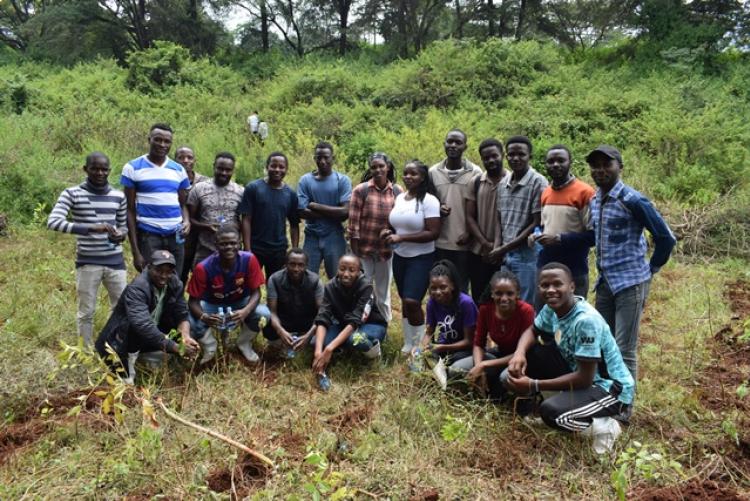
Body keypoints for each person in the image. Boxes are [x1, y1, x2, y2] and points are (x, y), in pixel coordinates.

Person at [500, 262, 635, 454]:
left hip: (609, 388)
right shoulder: (552, 308)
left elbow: (584, 379)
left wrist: (534, 385)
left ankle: (605, 428)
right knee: (533, 353)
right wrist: (519, 354)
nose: (551, 290)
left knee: (552, 414)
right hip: (579, 376)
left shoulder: (585, 321)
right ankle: (566, 406)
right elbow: (532, 330)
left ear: (571, 286)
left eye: (557, 284)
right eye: (544, 285)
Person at [586, 145, 676, 384]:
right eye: (596, 165)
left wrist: (651, 270)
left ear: (620, 167)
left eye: (607, 164)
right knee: (604, 343)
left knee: (624, 348)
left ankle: (624, 406)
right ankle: (606, 395)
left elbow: (666, 238)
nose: (601, 170)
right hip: (604, 282)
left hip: (630, 283)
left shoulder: (633, 200)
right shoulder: (595, 200)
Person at [47, 152, 128, 345]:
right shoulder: (72, 193)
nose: (100, 173)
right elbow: (53, 222)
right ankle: (85, 351)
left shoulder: (118, 196)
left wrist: (121, 234)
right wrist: (91, 228)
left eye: (104, 169)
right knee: (86, 311)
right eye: (95, 168)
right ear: (86, 169)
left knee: (121, 308)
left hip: (115, 262)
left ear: (109, 170)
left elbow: (123, 225)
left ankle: (112, 346)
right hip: (87, 262)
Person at [95, 250, 199, 384]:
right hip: (121, 339)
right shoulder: (138, 288)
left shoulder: (174, 283)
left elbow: (182, 313)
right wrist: (176, 347)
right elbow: (142, 325)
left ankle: (147, 358)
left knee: (190, 334)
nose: (164, 276)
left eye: (168, 271)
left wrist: (184, 337)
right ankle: (132, 363)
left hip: (152, 333)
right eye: (159, 270)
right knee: (125, 383)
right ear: (148, 267)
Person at [186, 224, 270, 363]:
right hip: (211, 304)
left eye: (232, 243)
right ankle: (210, 345)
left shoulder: (249, 260)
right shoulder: (203, 267)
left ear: (239, 243)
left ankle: (243, 343)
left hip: (240, 301)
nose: (229, 247)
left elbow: (256, 293)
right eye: (224, 244)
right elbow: (192, 301)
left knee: (264, 313)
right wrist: (204, 316)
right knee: (188, 319)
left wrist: (245, 311)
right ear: (216, 245)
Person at [383, 160, 441, 354]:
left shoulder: (429, 200)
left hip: (422, 257)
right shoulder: (400, 198)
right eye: (406, 173)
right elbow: (397, 224)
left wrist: (402, 237)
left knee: (412, 301)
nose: (408, 177)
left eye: (413, 174)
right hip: (400, 256)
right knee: (404, 299)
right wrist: (388, 232)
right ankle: (408, 343)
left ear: (423, 177)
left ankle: (419, 346)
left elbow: (433, 232)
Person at [529, 145, 595, 308]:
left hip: (574, 268)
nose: (556, 165)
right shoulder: (546, 192)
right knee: (543, 317)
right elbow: (545, 227)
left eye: (561, 160)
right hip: (546, 266)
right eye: (551, 161)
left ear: (570, 162)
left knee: (573, 317)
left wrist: (560, 239)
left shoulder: (584, 192)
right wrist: (536, 234)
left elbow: (594, 236)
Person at [451, 270, 534, 399]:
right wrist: (479, 367)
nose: (504, 298)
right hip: (499, 355)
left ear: (517, 294)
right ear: (492, 294)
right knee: (456, 369)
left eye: (509, 293)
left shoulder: (526, 311)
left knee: (506, 377)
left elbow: (524, 352)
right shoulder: (486, 309)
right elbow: (478, 343)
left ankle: (525, 400)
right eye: (499, 293)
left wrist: (484, 365)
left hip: (522, 359)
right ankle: (475, 394)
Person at [312, 254, 387, 391]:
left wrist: (329, 349)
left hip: (370, 325)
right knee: (316, 342)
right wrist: (318, 352)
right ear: (337, 269)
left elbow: (355, 322)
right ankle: (322, 372)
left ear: (359, 272)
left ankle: (374, 352)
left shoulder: (366, 287)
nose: (346, 274)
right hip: (343, 324)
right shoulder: (329, 287)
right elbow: (323, 317)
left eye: (352, 270)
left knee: (356, 340)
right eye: (342, 269)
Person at [122, 123, 190, 273]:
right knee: (150, 281)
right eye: (158, 140)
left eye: (167, 141)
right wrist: (135, 251)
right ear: (149, 140)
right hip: (149, 235)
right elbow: (130, 210)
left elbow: (183, 204)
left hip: (175, 236)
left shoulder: (178, 170)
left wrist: (186, 221)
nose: (162, 144)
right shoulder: (132, 168)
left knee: (174, 281)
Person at [490, 135, 548, 305]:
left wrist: (503, 248)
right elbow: (499, 218)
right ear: (506, 156)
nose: (516, 158)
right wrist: (497, 247)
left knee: (526, 305)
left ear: (530, 156)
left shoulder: (538, 182)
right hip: (506, 255)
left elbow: (536, 222)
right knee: (506, 303)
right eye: (511, 154)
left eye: (521, 154)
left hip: (527, 256)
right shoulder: (503, 183)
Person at [349, 153, 402, 322]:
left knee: (383, 292)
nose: (378, 170)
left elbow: (401, 220)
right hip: (363, 250)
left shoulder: (397, 191)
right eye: (374, 167)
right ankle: (356, 322)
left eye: (381, 166)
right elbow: (353, 225)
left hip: (385, 252)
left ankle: (384, 324)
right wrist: (355, 254)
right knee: (360, 288)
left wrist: (392, 232)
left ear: (388, 167)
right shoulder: (361, 190)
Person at [429, 129, 482, 291]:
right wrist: (438, 208)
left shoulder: (475, 172)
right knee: (439, 288)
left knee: (460, 288)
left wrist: (470, 233)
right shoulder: (433, 172)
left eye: (458, 142)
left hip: (464, 243)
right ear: (444, 144)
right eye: (449, 141)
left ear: (465, 147)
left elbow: (480, 207)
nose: (453, 145)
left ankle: (461, 317)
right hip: (439, 242)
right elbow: (430, 201)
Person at [239, 152, 300, 278]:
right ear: (267, 167)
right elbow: (246, 219)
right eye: (273, 166)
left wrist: (293, 251)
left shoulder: (291, 194)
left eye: (281, 167)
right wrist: (247, 248)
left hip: (278, 249)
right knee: (250, 282)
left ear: (286, 169)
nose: (277, 170)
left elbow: (294, 225)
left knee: (275, 285)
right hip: (255, 247)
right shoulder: (253, 188)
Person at [297, 141, 352, 279]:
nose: (322, 161)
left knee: (338, 278)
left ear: (333, 158)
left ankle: (335, 302)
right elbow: (302, 212)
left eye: (326, 157)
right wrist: (334, 212)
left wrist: (314, 205)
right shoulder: (305, 180)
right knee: (306, 277)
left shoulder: (342, 180)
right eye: (319, 157)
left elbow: (345, 213)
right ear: (314, 158)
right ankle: (311, 301)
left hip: (334, 235)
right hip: (311, 236)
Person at [466, 138, 508, 303]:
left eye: (494, 156)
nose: (491, 160)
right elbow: (469, 216)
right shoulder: (476, 182)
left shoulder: (512, 181)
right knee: (479, 297)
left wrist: (498, 248)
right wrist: (485, 243)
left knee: (503, 298)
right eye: (486, 158)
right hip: (478, 251)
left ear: (502, 155)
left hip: (505, 252)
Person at [416, 260, 478, 367]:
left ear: (452, 286)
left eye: (443, 287)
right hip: (443, 347)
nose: (438, 292)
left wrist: (442, 347)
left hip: (466, 349)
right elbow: (429, 332)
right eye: (433, 288)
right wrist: (421, 348)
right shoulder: (432, 302)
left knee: (454, 365)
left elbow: (469, 341)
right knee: (417, 361)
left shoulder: (466, 303)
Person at [187, 152, 244, 267]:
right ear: (214, 167)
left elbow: (246, 221)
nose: (224, 173)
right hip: (205, 250)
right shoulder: (199, 189)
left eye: (228, 170)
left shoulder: (241, 191)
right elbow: (189, 219)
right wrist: (205, 227)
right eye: (220, 169)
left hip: (232, 251)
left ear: (233, 170)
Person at [263, 249, 323, 356]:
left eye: (301, 265)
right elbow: (272, 312)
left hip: (307, 324)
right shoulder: (275, 279)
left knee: (323, 326)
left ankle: (305, 341)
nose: (296, 269)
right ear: (286, 265)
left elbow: (322, 312)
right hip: (284, 322)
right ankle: (281, 342)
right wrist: (280, 330)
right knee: (266, 319)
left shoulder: (315, 281)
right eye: (292, 264)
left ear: (306, 266)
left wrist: (309, 335)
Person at [175, 145, 209, 284]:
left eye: (189, 157)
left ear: (195, 160)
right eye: (181, 157)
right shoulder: (169, 180)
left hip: (202, 239)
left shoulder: (205, 182)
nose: (185, 160)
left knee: (202, 278)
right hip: (179, 237)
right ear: (174, 160)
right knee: (179, 277)